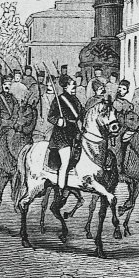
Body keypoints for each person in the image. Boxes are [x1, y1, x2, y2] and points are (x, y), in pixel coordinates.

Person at [47, 75, 83, 210]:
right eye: (73, 85)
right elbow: (50, 116)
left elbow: (81, 113)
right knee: (65, 162)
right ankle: (60, 193)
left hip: (74, 132)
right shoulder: (59, 100)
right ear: (66, 86)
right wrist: (59, 121)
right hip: (61, 135)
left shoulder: (76, 100)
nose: (75, 88)